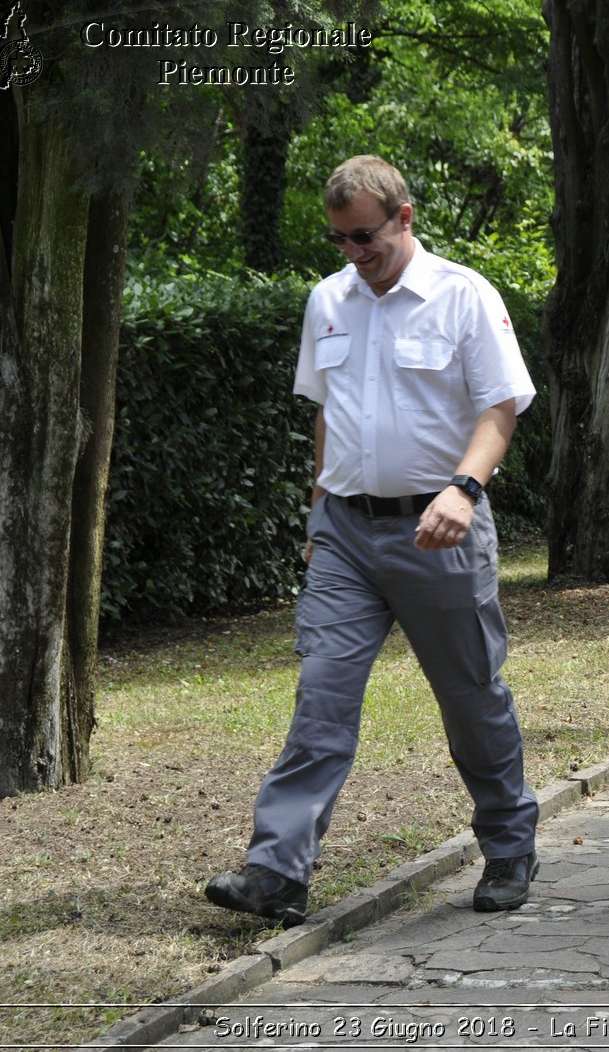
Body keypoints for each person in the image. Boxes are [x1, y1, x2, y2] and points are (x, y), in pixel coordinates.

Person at [205, 155, 541, 925]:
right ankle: (277, 870)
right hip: (347, 534)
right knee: (321, 696)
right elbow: (330, 413)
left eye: (366, 237)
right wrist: (320, 512)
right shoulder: (328, 300)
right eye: (340, 240)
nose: (354, 253)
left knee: (471, 699)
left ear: (405, 217)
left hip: (441, 531)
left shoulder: (463, 296)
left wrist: (465, 488)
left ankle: (509, 844)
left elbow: (499, 411)